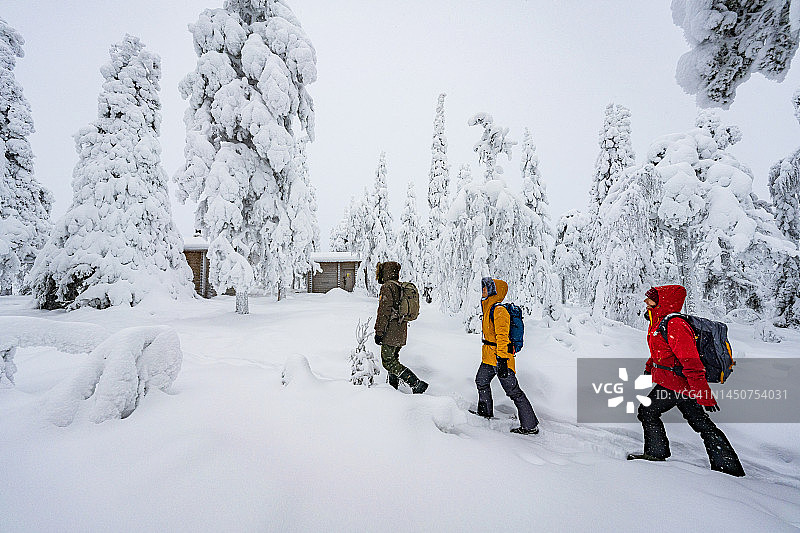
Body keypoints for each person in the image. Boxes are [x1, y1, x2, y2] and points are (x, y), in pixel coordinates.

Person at [629, 284, 745, 477]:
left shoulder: (675, 325)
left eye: (650, 299)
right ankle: (728, 466)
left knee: (647, 411)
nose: (646, 302)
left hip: (678, 384)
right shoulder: (658, 322)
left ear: (663, 302)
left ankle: (656, 454)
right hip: (675, 383)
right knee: (700, 423)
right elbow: (660, 353)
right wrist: (649, 369)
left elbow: (692, 363)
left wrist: (704, 395)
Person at [475, 277, 539, 435]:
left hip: (500, 357)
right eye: (483, 288)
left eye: (486, 288)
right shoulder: (489, 308)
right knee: (481, 381)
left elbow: (503, 337)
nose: (483, 290)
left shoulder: (499, 311)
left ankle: (530, 426)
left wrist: (503, 360)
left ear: (494, 291)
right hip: (489, 357)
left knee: (513, 391)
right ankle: (485, 414)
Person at [374, 261, 428, 394]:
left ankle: (416, 383)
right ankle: (393, 389)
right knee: (394, 359)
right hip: (401, 329)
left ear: (385, 273)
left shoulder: (387, 287)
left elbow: (384, 311)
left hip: (391, 331)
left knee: (388, 362)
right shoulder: (399, 286)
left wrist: (379, 332)